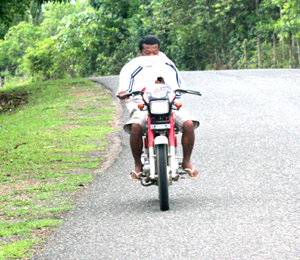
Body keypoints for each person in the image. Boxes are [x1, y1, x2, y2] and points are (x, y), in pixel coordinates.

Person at [117, 35, 199, 180]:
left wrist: (170, 92)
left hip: (168, 105)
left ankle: (186, 161)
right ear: (141, 52)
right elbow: (125, 89)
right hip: (142, 106)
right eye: (147, 53)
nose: (152, 56)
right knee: (135, 126)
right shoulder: (132, 67)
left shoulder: (167, 64)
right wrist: (123, 94)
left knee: (188, 124)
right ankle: (138, 166)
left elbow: (178, 87)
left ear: (159, 50)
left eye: (155, 52)